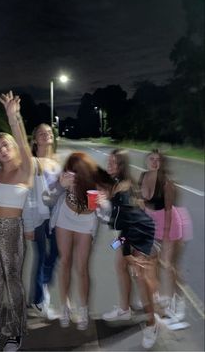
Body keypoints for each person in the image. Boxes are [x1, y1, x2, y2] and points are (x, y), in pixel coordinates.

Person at [0, 91, 33, 352]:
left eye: (5, 145)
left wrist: (14, 118)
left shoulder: (25, 168)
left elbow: (24, 145)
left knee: (12, 281)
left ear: (13, 146)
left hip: (12, 230)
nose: (2, 151)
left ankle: (14, 332)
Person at [96, 149, 159, 350]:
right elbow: (116, 219)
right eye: (109, 162)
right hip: (126, 232)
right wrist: (103, 203)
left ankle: (152, 324)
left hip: (138, 233)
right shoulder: (118, 185)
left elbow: (128, 222)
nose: (109, 166)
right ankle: (125, 309)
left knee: (140, 276)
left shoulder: (123, 189)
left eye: (114, 163)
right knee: (119, 264)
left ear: (122, 166)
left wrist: (129, 254)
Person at [139, 149, 192, 324]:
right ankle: (161, 297)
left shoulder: (167, 183)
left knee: (169, 267)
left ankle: (180, 304)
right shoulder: (143, 177)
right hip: (152, 227)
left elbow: (169, 212)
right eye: (151, 159)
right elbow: (141, 205)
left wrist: (166, 238)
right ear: (146, 161)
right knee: (149, 264)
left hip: (171, 227)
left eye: (158, 160)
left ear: (162, 163)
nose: (154, 162)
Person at [22, 123, 63, 319]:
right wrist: (28, 225)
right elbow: (27, 195)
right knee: (41, 256)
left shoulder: (58, 162)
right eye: (41, 133)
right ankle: (39, 300)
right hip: (39, 216)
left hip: (58, 216)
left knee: (56, 253)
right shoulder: (33, 162)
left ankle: (42, 288)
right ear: (35, 140)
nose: (46, 135)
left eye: (49, 132)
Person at [55, 152, 99, 331]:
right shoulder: (64, 177)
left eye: (79, 168)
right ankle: (65, 306)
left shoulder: (94, 180)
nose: (74, 172)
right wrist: (60, 185)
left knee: (82, 268)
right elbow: (47, 197)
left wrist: (100, 203)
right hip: (65, 218)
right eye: (71, 168)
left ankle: (83, 309)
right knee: (64, 262)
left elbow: (99, 209)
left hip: (86, 222)